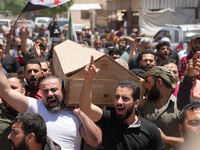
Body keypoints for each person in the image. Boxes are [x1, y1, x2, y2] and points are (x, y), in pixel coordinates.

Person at [0, 50, 102, 149]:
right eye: (45, 91)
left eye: (54, 90)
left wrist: (82, 114)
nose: (50, 94)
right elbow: (6, 91)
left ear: (64, 91)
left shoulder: (76, 114)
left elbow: (95, 141)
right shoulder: (36, 107)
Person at [79, 56, 165, 150]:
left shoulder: (151, 130)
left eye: (125, 98)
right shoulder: (109, 119)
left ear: (136, 103)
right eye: (117, 97)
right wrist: (88, 79)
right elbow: (86, 108)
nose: (119, 102)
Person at [139, 65, 195, 149]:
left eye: (147, 82)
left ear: (159, 82)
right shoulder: (144, 104)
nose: (145, 86)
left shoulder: (180, 106)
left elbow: (192, 141)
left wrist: (166, 139)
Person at [0, 73, 25, 150]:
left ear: (23, 91)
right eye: (6, 89)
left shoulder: (32, 114)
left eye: (13, 88)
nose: (9, 93)